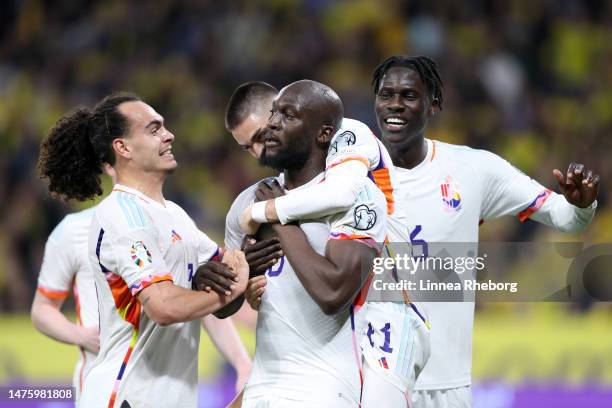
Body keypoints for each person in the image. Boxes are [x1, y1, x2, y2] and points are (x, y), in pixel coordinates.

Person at [370, 55, 599, 408]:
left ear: (433, 104)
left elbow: (565, 217)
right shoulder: (350, 175)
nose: (395, 105)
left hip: (446, 387)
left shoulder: (473, 169)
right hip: (369, 380)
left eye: (408, 95)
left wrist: (582, 205)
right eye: (386, 95)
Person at [36, 92, 249, 408]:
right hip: (125, 397)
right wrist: (231, 290)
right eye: (154, 129)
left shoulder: (175, 215)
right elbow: (162, 307)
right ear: (122, 148)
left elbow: (227, 275)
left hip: (169, 398)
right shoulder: (122, 214)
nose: (169, 134)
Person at [225, 80, 430, 406]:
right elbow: (234, 293)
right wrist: (245, 281)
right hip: (294, 365)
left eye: (263, 135)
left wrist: (270, 214)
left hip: (391, 304)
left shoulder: (348, 138)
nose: (258, 151)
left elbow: (340, 194)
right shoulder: (258, 196)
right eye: (246, 146)